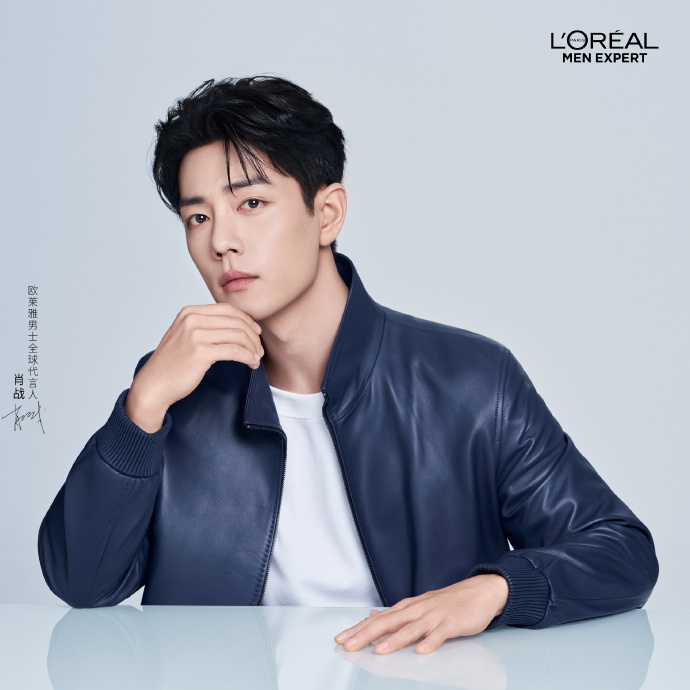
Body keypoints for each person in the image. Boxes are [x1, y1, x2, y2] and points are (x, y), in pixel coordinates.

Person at [38, 75, 659, 656]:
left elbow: (621, 551)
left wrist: (494, 590)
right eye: (197, 217)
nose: (221, 241)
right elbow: (82, 583)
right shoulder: (177, 389)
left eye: (251, 203)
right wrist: (142, 409)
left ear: (327, 214)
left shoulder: (469, 381)